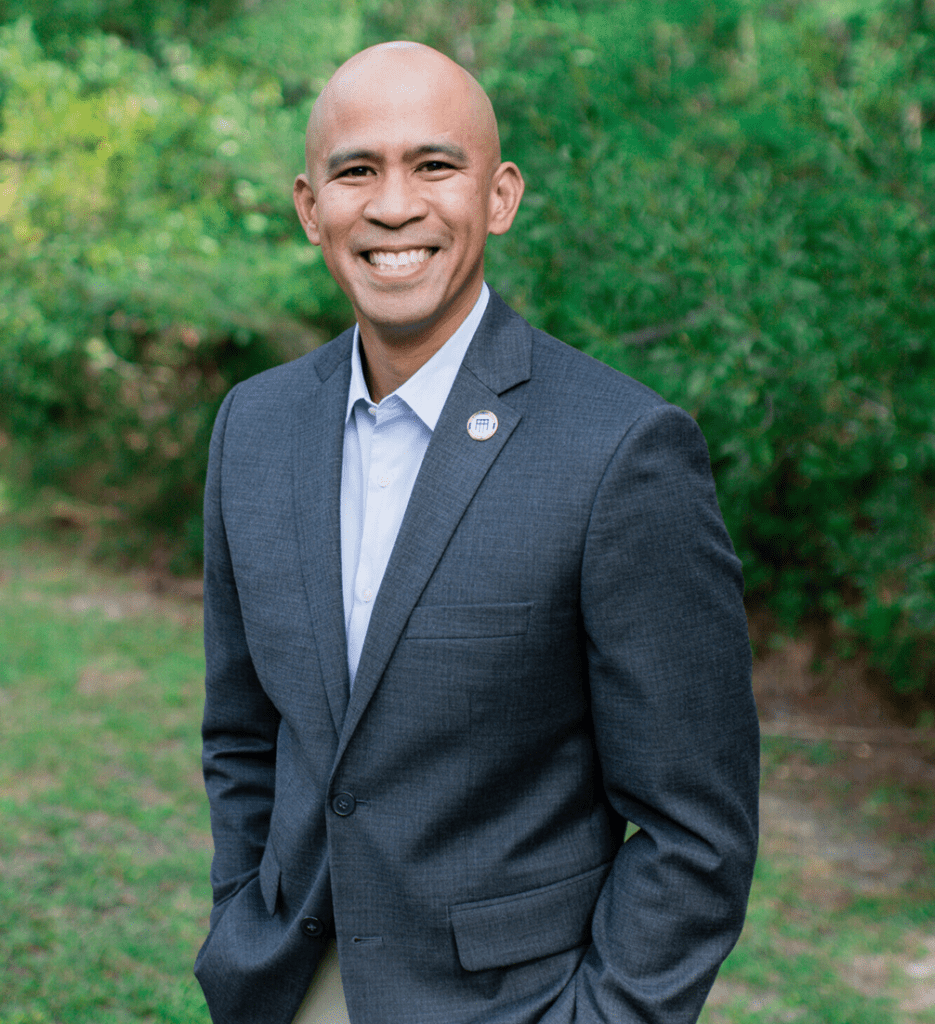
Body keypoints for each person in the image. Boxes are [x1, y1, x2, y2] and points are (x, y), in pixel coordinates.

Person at [194, 40, 760, 1024]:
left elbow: (696, 829)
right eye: (356, 170)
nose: (393, 205)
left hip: (514, 1002)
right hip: (291, 983)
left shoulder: (623, 451)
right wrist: (241, 916)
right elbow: (244, 735)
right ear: (308, 207)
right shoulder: (254, 425)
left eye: (434, 166)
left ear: (498, 197)